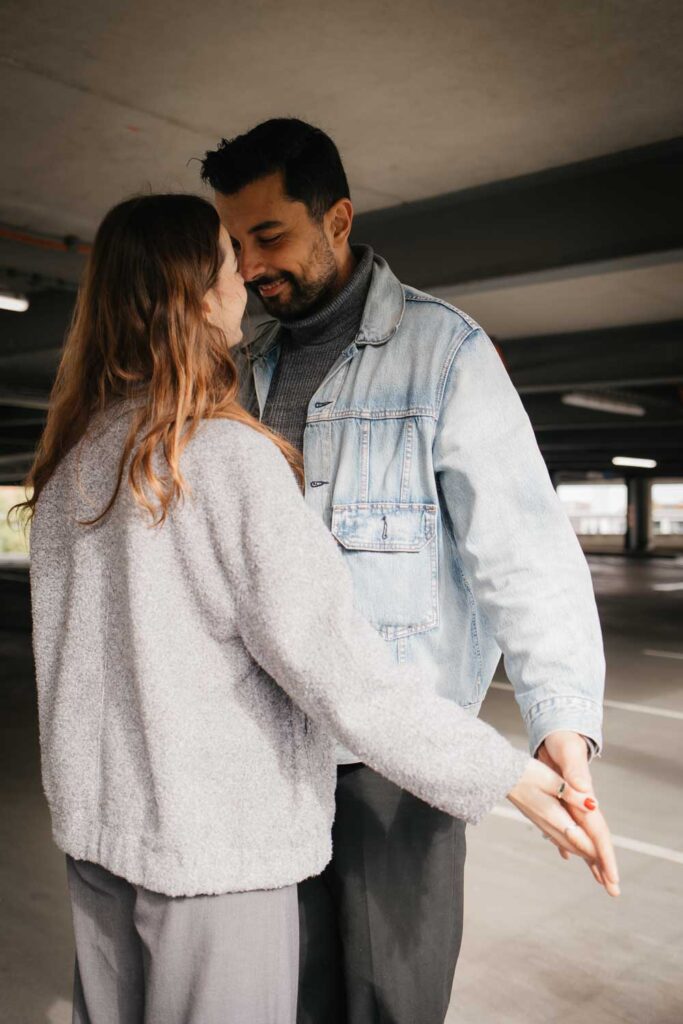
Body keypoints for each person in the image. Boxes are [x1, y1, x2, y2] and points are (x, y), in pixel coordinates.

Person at [19, 194, 613, 1024]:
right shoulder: (226, 459)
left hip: (102, 851)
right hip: (215, 859)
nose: (248, 280)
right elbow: (342, 673)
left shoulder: (73, 468)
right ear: (197, 296)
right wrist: (507, 773)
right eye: (232, 263)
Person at [200, 119, 620, 1024]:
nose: (249, 265)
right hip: (267, 753)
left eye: (269, 236)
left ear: (337, 218)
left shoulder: (445, 353)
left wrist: (563, 730)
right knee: (283, 998)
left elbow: (526, 555)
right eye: (235, 244)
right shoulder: (237, 367)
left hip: (400, 763)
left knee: (391, 1002)